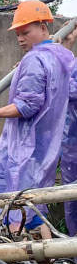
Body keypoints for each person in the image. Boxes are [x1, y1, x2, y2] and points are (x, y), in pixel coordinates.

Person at [0, 1, 75, 238]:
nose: (21, 39)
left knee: (16, 205)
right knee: (34, 205)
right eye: (18, 35)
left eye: (26, 32)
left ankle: (17, 263)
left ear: (44, 27)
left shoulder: (35, 60)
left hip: (25, 147)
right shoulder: (61, 57)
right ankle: (49, 263)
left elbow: (27, 106)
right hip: (45, 147)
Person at [58, 21, 77, 236]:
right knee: (71, 206)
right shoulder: (74, 63)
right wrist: (68, 46)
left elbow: (67, 89)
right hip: (72, 149)